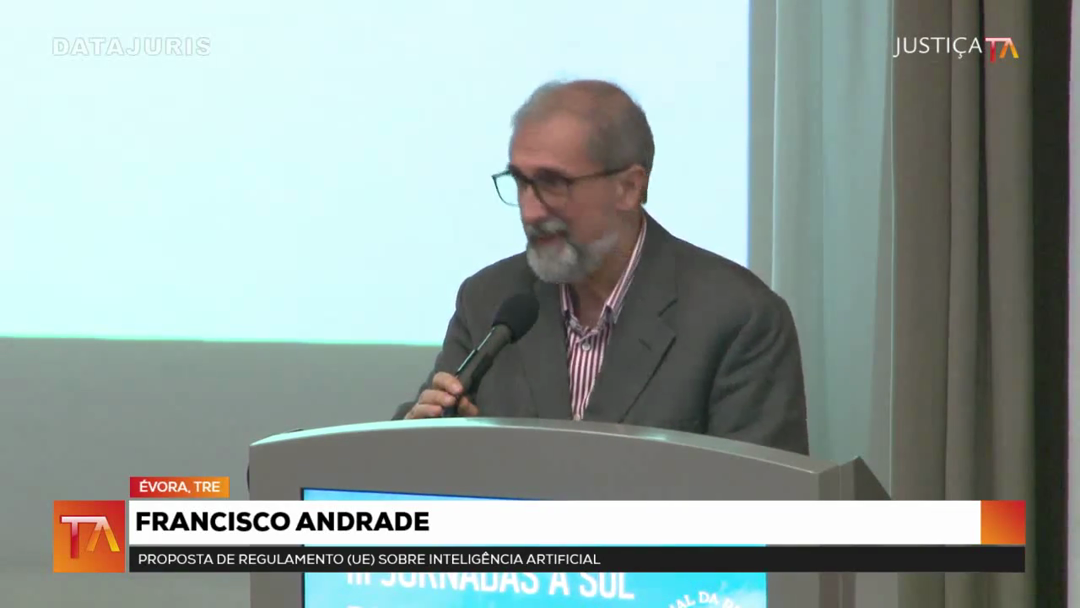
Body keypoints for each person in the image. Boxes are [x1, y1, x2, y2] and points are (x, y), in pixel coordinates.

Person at [394, 79, 809, 455]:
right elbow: (416, 456)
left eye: (553, 183)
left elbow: (764, 499)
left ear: (629, 187)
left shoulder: (738, 318)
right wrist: (421, 437)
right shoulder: (489, 299)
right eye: (520, 182)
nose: (530, 211)